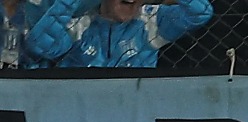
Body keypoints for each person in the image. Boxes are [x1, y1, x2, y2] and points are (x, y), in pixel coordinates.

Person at [25, 0, 212, 67]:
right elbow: (41, 45)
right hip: (79, 108)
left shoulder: (153, 20)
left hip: (133, 109)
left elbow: (200, 12)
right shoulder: (82, 23)